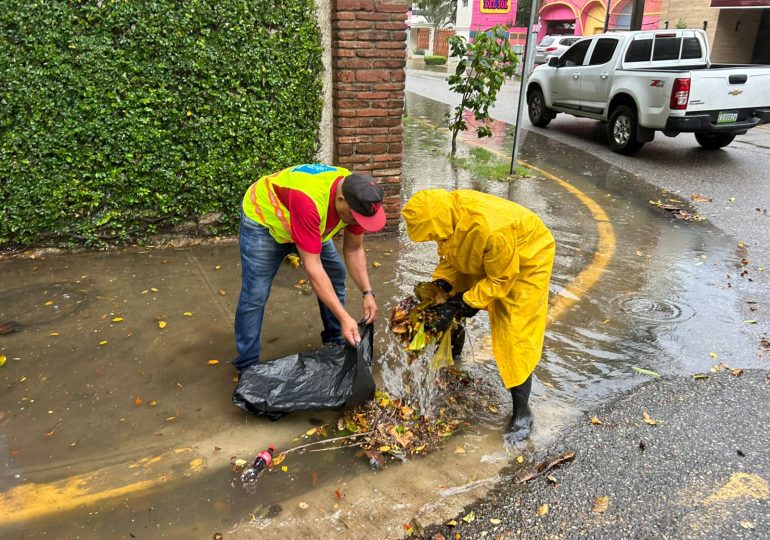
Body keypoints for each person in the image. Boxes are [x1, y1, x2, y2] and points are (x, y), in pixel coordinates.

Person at [401, 189, 555, 444]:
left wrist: (466, 301)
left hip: (527, 260)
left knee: (515, 333)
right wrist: (445, 284)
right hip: (493, 255)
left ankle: (522, 412)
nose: (434, 239)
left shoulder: (491, 229)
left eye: (433, 234)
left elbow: (501, 278)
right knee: (446, 300)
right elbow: (452, 253)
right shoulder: (447, 216)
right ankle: (453, 360)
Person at [233, 164, 385, 373]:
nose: (356, 222)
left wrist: (367, 293)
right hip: (265, 223)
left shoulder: (359, 199)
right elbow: (313, 268)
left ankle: (335, 340)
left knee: (335, 273)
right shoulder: (310, 200)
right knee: (255, 295)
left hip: (308, 225)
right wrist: (344, 316)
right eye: (354, 218)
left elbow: (354, 249)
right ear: (340, 200)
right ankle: (247, 367)